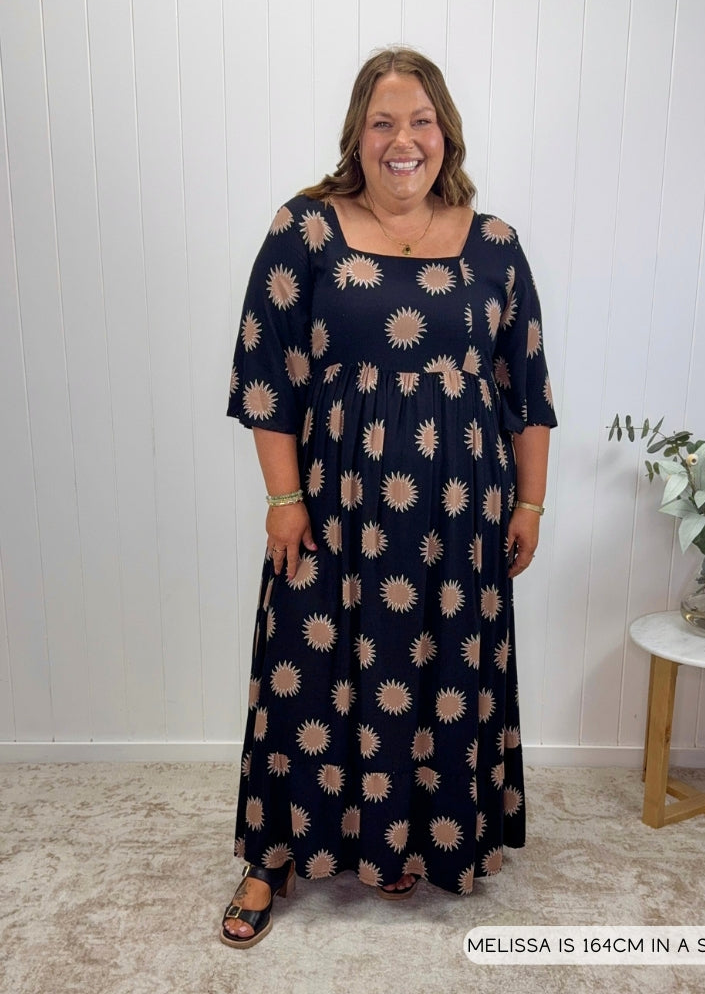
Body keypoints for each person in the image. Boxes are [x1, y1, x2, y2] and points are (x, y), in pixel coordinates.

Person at [221, 46, 556, 948]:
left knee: (435, 673)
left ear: (445, 134)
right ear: (357, 136)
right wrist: (284, 498)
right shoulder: (306, 230)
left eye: (419, 121)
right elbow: (265, 373)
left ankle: (402, 838)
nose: (402, 140)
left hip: (460, 519)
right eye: (382, 122)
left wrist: (529, 507)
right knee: (306, 671)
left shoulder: (495, 246)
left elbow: (525, 391)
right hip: (333, 508)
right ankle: (273, 857)